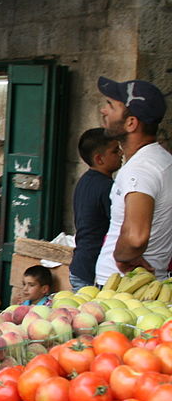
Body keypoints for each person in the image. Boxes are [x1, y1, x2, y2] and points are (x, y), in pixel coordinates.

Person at [94, 77, 172, 284]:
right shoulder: (163, 160)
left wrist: (122, 256)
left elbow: (137, 237)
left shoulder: (140, 170)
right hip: (141, 284)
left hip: (122, 286)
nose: (104, 110)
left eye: (111, 105)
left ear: (131, 123)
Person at [69, 129, 122, 290]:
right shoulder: (107, 188)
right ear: (99, 159)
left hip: (79, 265)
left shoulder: (84, 181)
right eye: (114, 151)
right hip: (92, 270)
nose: (121, 153)